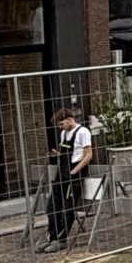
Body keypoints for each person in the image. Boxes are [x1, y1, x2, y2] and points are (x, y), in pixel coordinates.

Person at [42, 106, 95, 249]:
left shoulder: (82, 132)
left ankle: (61, 240)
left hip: (73, 173)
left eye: (61, 124)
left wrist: (74, 171)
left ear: (69, 119)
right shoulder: (64, 134)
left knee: (67, 207)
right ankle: (50, 237)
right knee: (52, 205)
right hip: (62, 172)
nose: (60, 128)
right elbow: (68, 152)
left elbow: (88, 155)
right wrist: (57, 155)